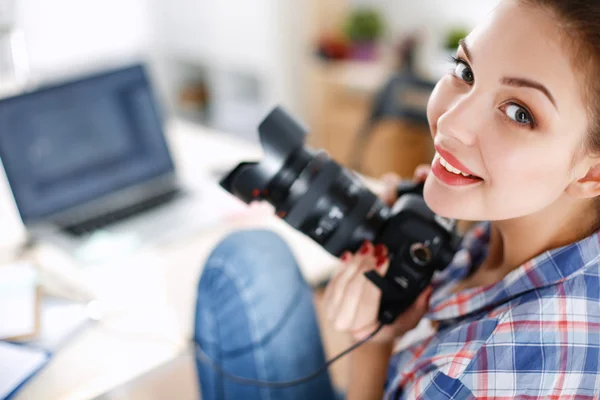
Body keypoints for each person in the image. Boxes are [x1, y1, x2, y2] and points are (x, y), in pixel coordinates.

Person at [194, 0, 600, 398]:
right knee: (250, 256)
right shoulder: (541, 234)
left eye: (519, 113)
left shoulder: (477, 376)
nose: (449, 122)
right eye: (465, 70)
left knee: (239, 268)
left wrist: (373, 341)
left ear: (593, 171)